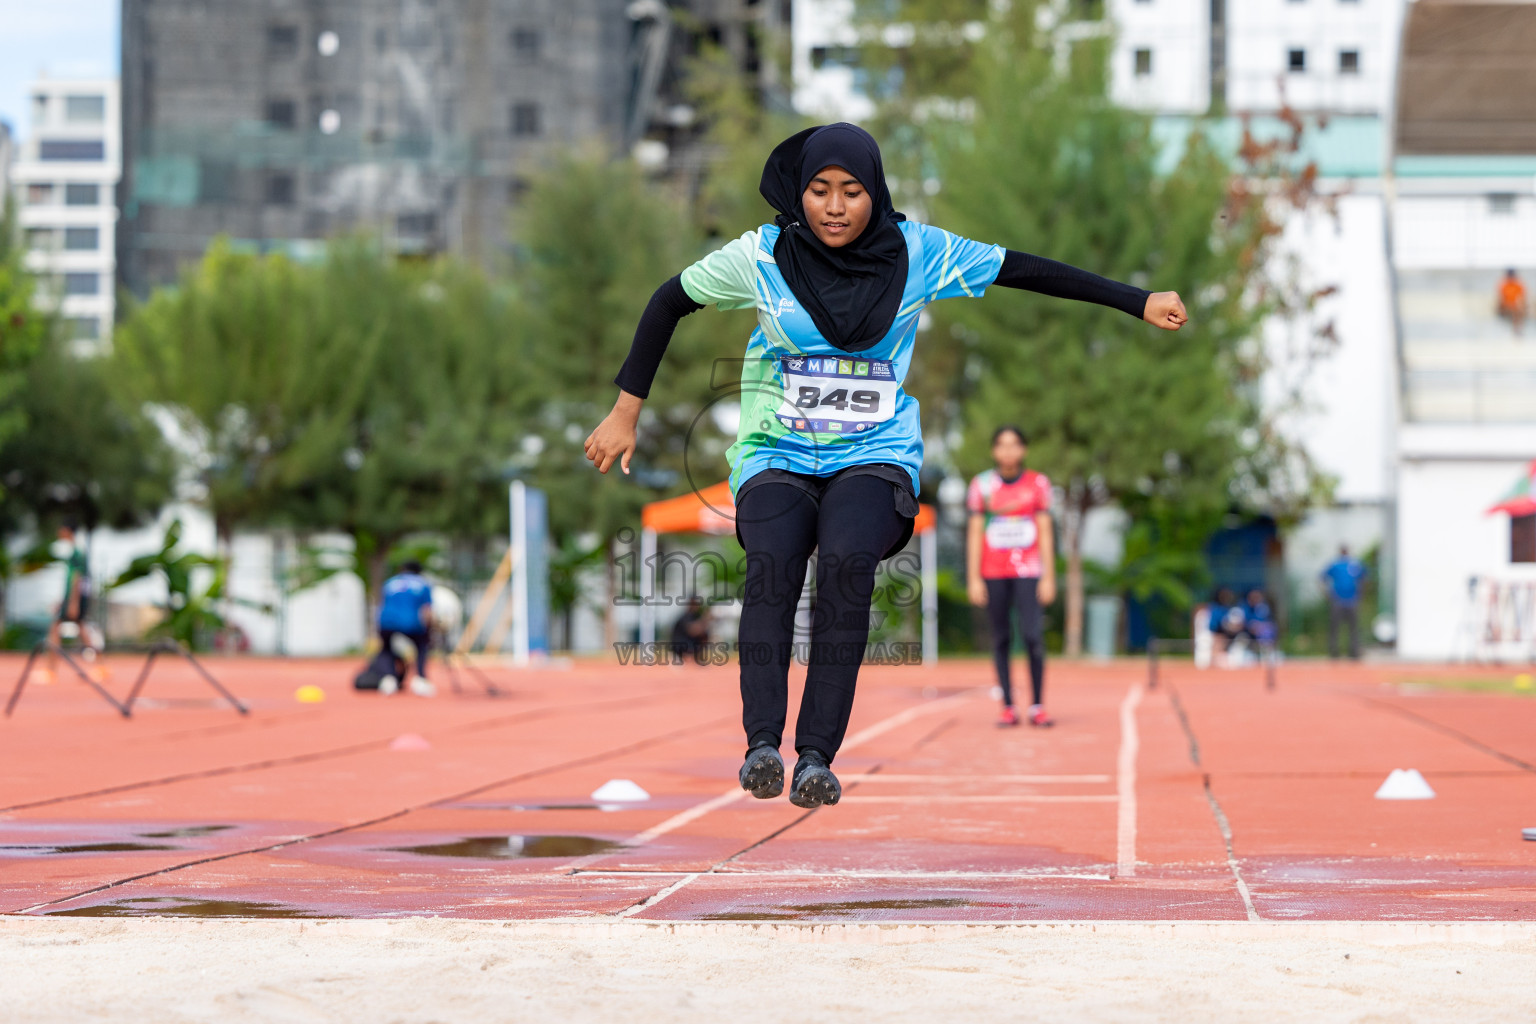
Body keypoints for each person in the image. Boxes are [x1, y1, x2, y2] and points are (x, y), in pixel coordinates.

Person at [584, 122, 1187, 808]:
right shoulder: (760, 256)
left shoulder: (921, 252)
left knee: (847, 569)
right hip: (776, 450)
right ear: (798, 193)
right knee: (774, 568)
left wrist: (1135, 299)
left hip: (874, 455)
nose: (834, 207)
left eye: (851, 191)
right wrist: (625, 410)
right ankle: (761, 746)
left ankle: (816, 757)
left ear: (876, 193)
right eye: (819, 191)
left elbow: (1026, 268)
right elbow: (670, 300)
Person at [966, 425, 1056, 728]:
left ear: (1023, 449)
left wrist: (1049, 576)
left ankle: (1038, 705)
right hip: (993, 571)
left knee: (1032, 636)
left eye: (1014, 444)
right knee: (1001, 637)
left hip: (1029, 570)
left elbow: (1044, 530)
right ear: (994, 450)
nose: (1008, 451)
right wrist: (974, 577)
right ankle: (1007, 705)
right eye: (1001, 445)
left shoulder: (1038, 484)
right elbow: (975, 531)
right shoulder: (982, 485)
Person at [377, 560, 435, 696]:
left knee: (386, 649)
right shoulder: (423, 583)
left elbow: (382, 603)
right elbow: (427, 610)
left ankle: (389, 679)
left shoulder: (390, 582)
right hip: (411, 622)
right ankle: (421, 679)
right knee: (422, 647)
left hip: (386, 621)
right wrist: (429, 629)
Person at [1321, 545, 1367, 660]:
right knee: (1335, 627)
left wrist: (1361, 594)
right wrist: (1327, 594)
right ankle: (1334, 652)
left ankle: (1354, 652)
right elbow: (1322, 577)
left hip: (1352, 600)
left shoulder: (1355, 564)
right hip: (1338, 600)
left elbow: (1364, 578)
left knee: (1354, 628)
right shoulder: (1335, 565)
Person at [670, 595, 712, 665]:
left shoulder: (696, 616)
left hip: (692, 650)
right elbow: (693, 631)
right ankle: (683, 657)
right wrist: (705, 619)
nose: (695, 606)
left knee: (705, 634)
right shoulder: (684, 617)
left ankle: (696, 657)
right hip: (681, 649)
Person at [1496, 269, 1527, 337]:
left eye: (1512, 276)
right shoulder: (1504, 285)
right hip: (1506, 307)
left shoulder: (1518, 285)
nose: (1511, 278)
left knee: (1517, 310)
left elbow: (1522, 298)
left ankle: (1517, 330)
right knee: (1515, 311)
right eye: (1510, 276)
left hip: (1516, 307)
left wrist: (1519, 305)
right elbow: (1501, 299)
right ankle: (1516, 330)